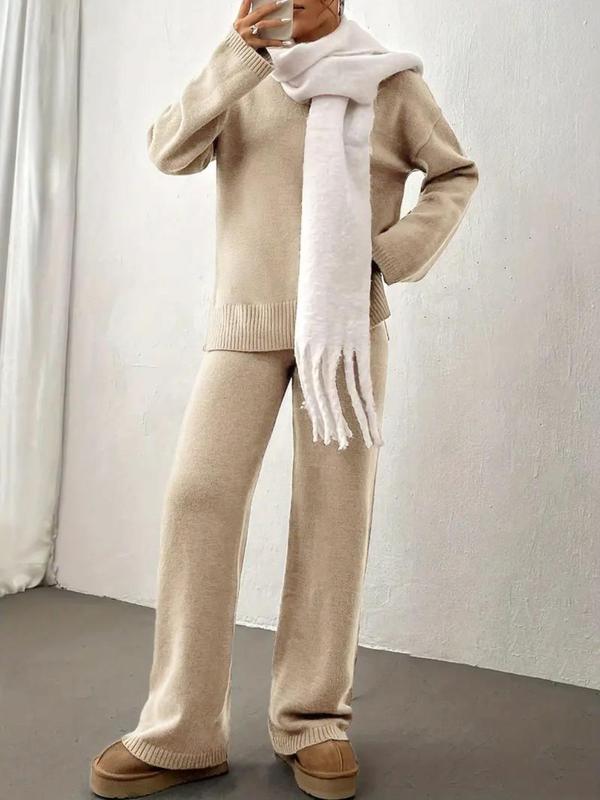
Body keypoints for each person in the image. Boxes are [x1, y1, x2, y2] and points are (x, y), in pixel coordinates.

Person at [89, 0, 479, 797]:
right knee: (199, 497)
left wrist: (387, 256)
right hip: (246, 320)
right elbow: (168, 149)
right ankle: (182, 730)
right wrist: (236, 57)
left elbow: (454, 174)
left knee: (334, 513)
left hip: (344, 330)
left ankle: (313, 720)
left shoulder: (389, 83)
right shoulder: (244, 72)